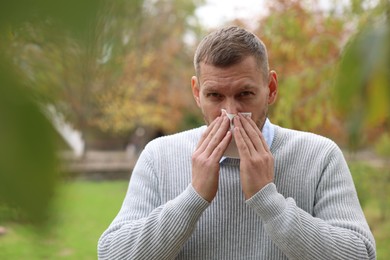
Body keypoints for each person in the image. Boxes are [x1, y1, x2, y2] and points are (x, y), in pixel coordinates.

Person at [98, 26, 376, 259]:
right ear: (197, 92)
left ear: (271, 88)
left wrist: (269, 201)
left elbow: (360, 254)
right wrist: (192, 198)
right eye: (215, 96)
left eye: (245, 94)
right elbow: (112, 254)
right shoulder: (159, 155)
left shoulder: (319, 155)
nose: (230, 113)